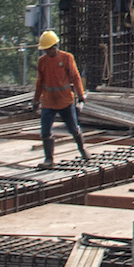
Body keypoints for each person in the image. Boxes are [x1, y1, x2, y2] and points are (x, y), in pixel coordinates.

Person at [32, 30, 89, 167]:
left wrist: (80, 95)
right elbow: (40, 82)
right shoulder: (42, 62)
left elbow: (75, 77)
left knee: (73, 129)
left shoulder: (66, 58)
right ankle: (49, 159)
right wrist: (36, 100)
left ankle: (82, 150)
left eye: (49, 49)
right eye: (45, 50)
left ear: (55, 46)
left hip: (65, 101)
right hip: (48, 102)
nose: (47, 52)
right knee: (45, 131)